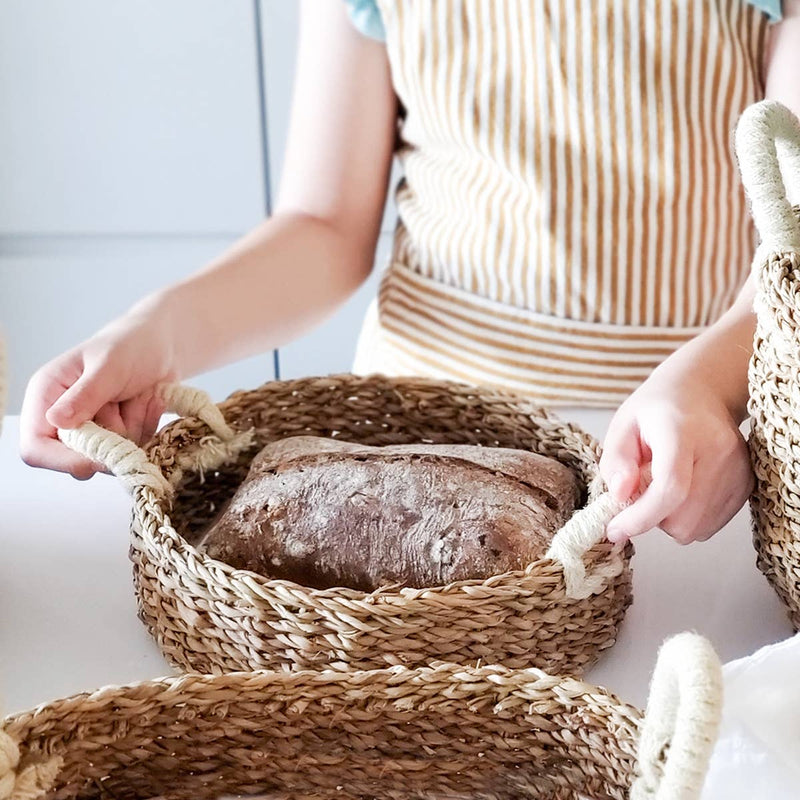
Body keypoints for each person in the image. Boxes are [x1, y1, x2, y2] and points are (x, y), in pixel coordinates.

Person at [19, 0, 800, 548]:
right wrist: (155, 336)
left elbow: (791, 237)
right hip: (408, 438)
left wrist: (711, 389)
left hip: (681, 456)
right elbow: (324, 225)